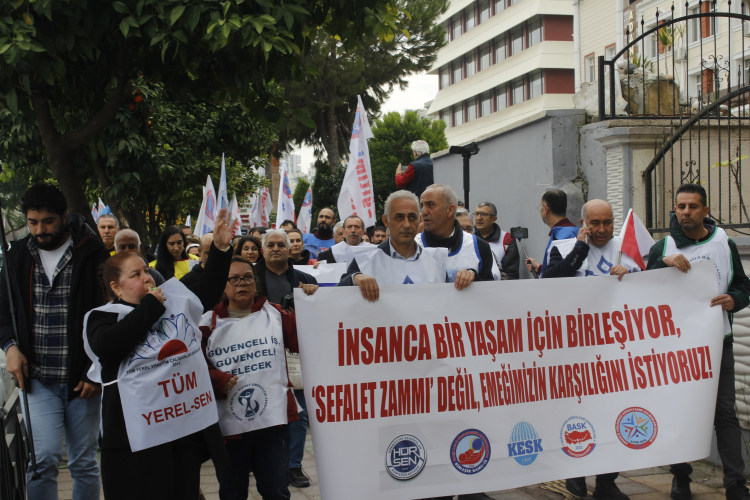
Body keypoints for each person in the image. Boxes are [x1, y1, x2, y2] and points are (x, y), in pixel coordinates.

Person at [84, 209, 236, 500]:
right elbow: (108, 346)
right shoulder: (101, 317)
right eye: (136, 275)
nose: (147, 278)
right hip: (136, 437)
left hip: (180, 429)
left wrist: (219, 248)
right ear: (116, 287)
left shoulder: (172, 301)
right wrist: (150, 307)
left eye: (145, 270)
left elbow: (209, 289)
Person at [0, 183, 110, 499]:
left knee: (84, 463)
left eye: (47, 221)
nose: (39, 229)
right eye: (33, 222)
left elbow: (108, 314)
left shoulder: (91, 251)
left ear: (63, 216)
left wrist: (94, 370)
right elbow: (3, 310)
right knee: (42, 461)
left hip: (82, 381)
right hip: (37, 380)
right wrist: (10, 346)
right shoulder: (17, 256)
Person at [646, 184, 750, 500]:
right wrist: (661, 266)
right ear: (674, 210)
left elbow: (743, 286)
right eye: (680, 206)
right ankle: (681, 478)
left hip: (719, 343)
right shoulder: (661, 248)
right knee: (681, 413)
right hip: (677, 349)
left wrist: (734, 299)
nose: (685, 212)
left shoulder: (724, 243)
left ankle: (735, 482)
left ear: (705, 210)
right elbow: (642, 293)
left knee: (725, 414)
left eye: (692, 206)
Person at [539, 200, 638, 500]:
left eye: (607, 222)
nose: (601, 230)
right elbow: (550, 279)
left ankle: (607, 480)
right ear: (583, 223)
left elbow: (651, 284)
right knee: (577, 413)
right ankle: (575, 473)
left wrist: (632, 276)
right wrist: (581, 249)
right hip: (576, 351)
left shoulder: (627, 247)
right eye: (594, 223)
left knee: (612, 413)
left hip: (615, 350)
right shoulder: (566, 245)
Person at [200, 257, 300, 500]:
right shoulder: (206, 324)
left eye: (247, 277)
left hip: (273, 422)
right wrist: (217, 379)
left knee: (276, 490)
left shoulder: (276, 314)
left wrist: (309, 303)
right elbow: (193, 369)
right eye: (233, 279)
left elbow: (303, 342)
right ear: (223, 285)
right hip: (229, 428)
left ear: (256, 282)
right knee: (232, 493)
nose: (241, 283)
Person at [253, 229, 318, 489]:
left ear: (290, 248)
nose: (276, 248)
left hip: (294, 354)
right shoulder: (250, 279)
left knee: (299, 414)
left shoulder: (305, 279)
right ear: (263, 250)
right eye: (271, 244)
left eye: (282, 244)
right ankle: (262, 464)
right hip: (260, 354)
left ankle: (293, 465)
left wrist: (313, 296)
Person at [338, 190, 449, 296]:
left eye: (412, 217)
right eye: (399, 217)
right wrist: (355, 277)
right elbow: (337, 294)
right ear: (386, 221)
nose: (406, 225)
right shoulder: (365, 259)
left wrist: (465, 278)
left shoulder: (437, 261)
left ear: (420, 220)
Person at [416, 184, 495, 284]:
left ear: (450, 210)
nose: (424, 212)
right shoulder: (411, 246)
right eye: (422, 206)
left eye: (430, 205)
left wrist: (474, 279)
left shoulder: (479, 247)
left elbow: (489, 293)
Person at [525, 189, 579, 277]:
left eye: (540, 207)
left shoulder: (562, 237)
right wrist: (540, 268)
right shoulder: (574, 230)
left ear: (546, 209)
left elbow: (562, 273)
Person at [473, 201, 520, 280]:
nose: (479, 218)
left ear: (494, 219)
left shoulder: (506, 239)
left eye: (484, 214)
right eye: (477, 214)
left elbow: (511, 274)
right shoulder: (469, 238)